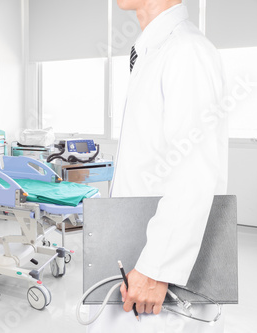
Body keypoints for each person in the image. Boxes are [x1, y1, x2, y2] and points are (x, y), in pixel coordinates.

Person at [91, 1, 228, 332]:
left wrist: (157, 269)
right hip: (137, 250)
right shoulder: (153, 51)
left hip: (158, 274)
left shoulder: (186, 51)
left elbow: (195, 175)